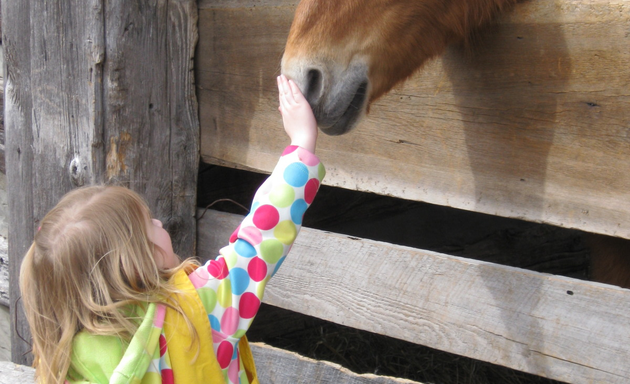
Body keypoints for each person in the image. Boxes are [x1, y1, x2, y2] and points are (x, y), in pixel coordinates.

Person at [20, 75, 323, 384]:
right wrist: (301, 141)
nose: (158, 222)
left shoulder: (69, 359)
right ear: (134, 263)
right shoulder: (199, 307)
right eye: (148, 224)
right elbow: (260, 239)